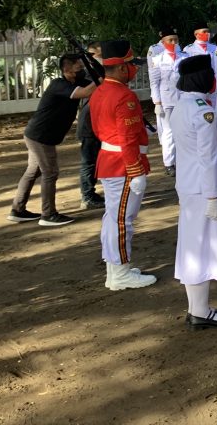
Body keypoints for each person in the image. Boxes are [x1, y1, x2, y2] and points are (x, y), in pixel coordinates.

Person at [170, 54, 217, 330]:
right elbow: (207, 157)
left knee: (192, 245)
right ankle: (199, 311)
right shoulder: (202, 112)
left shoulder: (182, 106)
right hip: (204, 188)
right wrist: (212, 198)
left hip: (189, 185)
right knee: (201, 248)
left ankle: (197, 306)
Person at [89, 39, 157, 290]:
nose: (134, 69)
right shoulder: (124, 95)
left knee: (113, 217)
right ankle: (120, 272)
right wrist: (136, 169)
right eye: (130, 64)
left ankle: (115, 268)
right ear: (119, 68)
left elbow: (100, 128)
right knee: (121, 220)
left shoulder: (100, 91)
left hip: (110, 160)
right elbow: (126, 138)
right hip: (123, 164)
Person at [8, 53, 98, 226]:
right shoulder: (59, 84)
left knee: (33, 171)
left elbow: (98, 87)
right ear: (67, 69)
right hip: (40, 137)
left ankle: (17, 210)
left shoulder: (77, 82)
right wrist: (100, 78)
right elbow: (86, 92)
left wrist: (102, 74)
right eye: (79, 67)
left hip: (42, 135)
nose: (82, 70)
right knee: (50, 172)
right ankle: (48, 214)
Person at [148, 26, 187, 177]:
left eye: (175, 40)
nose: (173, 42)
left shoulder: (184, 57)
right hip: (167, 100)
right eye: (170, 40)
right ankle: (169, 163)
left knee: (183, 130)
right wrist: (157, 102)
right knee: (169, 132)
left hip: (182, 98)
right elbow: (154, 82)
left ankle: (182, 159)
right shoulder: (157, 60)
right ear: (163, 42)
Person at [76, 44, 104, 209]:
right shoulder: (88, 76)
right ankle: (87, 195)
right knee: (89, 162)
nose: (96, 58)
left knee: (95, 161)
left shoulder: (98, 72)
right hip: (89, 124)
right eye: (93, 55)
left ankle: (90, 193)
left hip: (98, 123)